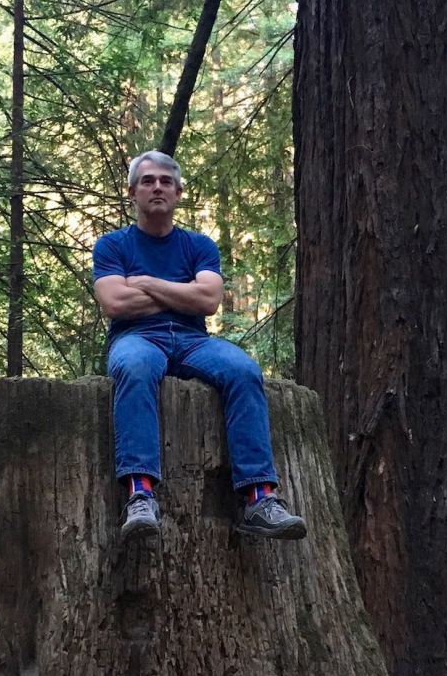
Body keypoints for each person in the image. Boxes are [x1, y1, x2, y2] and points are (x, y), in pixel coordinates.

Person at [93, 149, 307, 544]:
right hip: (137, 338)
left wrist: (146, 283)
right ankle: (141, 496)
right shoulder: (112, 246)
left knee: (244, 371)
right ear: (132, 192)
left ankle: (260, 499)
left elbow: (208, 301)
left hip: (194, 341)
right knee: (134, 368)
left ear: (177, 192)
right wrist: (182, 292)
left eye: (165, 181)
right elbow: (114, 303)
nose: (157, 187)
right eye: (148, 181)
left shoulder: (198, 245)